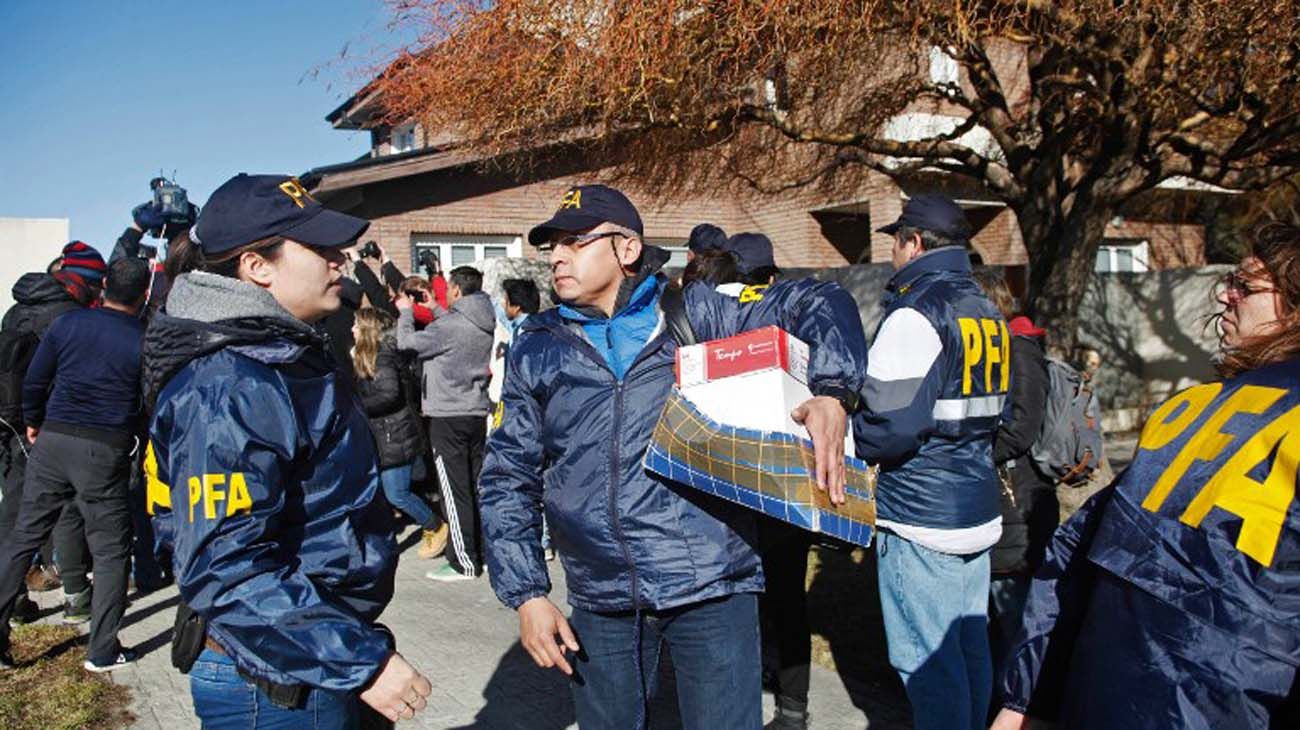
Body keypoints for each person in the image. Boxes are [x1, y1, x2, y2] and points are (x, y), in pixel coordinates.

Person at [479, 184, 866, 730]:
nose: (558, 256)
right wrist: (528, 593)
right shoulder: (537, 345)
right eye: (552, 246)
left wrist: (832, 389)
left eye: (575, 241)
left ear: (627, 248)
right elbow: (507, 475)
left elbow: (819, 301)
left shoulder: (694, 315)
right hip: (600, 597)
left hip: (710, 584)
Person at [141, 173, 431, 726]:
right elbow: (226, 566)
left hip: (310, 651)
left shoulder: (278, 353)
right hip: (277, 677)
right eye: (319, 247)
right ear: (257, 267)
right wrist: (361, 663)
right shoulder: (229, 383)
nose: (338, 260)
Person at [992, 221, 1300, 729]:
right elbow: (1085, 546)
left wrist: (1030, 697)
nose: (1225, 294)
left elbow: (1074, 554)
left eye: (1246, 285)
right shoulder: (1193, 407)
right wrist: (1029, 698)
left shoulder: (1193, 408)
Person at [851, 193, 1010, 730]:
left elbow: (889, 426)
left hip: (922, 515)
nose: (892, 254)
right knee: (969, 652)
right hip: (975, 507)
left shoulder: (917, 311)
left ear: (913, 243)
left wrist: (845, 437)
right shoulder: (986, 309)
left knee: (927, 666)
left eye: (896, 241)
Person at [0, 256, 151, 672]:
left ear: (104, 288)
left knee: (23, 537)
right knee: (111, 552)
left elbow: (35, 379)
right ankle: (102, 650)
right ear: (143, 295)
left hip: (52, 439)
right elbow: (149, 401)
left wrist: (33, 422)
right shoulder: (144, 337)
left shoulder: (69, 324)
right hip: (103, 450)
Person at [0, 242, 105, 623]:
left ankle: (11, 605)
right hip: (48, 427)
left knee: (14, 519)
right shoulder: (67, 317)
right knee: (64, 512)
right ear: (82, 281)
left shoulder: (17, 311)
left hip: (10, 426)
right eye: (95, 282)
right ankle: (77, 597)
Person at [971, 270, 1054, 705]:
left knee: (1016, 623)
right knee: (990, 623)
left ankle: (1022, 708)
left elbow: (1021, 428)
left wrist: (962, 455)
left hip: (1017, 503)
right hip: (995, 502)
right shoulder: (992, 351)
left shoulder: (1019, 348)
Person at [396, 265, 496, 582]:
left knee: (454, 492)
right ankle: (483, 552)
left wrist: (405, 312)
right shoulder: (483, 318)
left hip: (447, 414)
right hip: (475, 411)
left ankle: (463, 562)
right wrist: (434, 307)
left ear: (455, 290)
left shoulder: (450, 325)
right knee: (476, 486)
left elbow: (406, 343)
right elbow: (452, 330)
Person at [352, 307, 446, 560]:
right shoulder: (369, 355)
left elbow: (389, 394)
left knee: (397, 493)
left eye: (356, 325)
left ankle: (435, 525)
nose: (352, 329)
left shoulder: (381, 357)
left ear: (367, 330)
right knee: (389, 491)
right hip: (387, 434)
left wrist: (359, 406)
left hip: (395, 433)